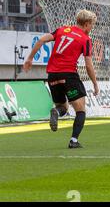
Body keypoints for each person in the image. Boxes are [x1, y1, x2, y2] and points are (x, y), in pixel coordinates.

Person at [23, 10, 99, 149]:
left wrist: (29, 58)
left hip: (52, 75)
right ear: (87, 24)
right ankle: (74, 140)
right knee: (81, 110)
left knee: (63, 106)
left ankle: (56, 113)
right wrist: (95, 83)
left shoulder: (63, 29)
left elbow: (41, 40)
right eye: (92, 25)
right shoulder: (85, 39)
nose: (92, 28)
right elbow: (88, 65)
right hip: (69, 75)